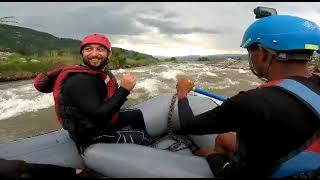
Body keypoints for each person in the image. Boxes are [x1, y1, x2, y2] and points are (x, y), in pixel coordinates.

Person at [176, 14, 320, 177]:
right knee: (223, 139)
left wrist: (182, 92)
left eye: (249, 51)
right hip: (308, 169)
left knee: (206, 152)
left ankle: (210, 156)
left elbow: (188, 125)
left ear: (262, 52)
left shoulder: (250, 102)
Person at [34, 33, 154, 154]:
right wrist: (124, 89)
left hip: (97, 122)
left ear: (109, 53)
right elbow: (100, 115)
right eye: (88, 49)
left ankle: (136, 149)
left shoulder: (97, 73)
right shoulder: (79, 81)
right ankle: (147, 152)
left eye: (100, 49)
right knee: (142, 136)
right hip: (90, 134)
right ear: (82, 53)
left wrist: (122, 91)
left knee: (136, 114)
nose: (94, 54)